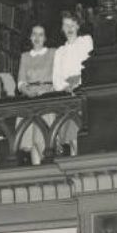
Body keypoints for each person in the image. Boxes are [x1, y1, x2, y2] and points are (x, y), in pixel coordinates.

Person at [52, 11, 93, 156]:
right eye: (66, 25)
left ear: (78, 26)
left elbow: (90, 65)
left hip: (82, 90)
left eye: (72, 25)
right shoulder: (59, 51)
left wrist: (78, 82)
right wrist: (64, 86)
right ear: (62, 29)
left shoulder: (85, 41)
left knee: (78, 134)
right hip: (66, 94)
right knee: (69, 138)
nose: (69, 28)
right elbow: (56, 77)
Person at [16, 24, 55, 165]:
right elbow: (21, 83)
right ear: (30, 37)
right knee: (32, 141)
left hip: (46, 98)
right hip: (30, 99)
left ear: (45, 38)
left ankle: (49, 167)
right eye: (34, 34)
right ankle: (38, 171)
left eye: (41, 34)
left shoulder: (52, 53)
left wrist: (46, 91)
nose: (37, 37)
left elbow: (57, 77)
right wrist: (28, 92)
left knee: (41, 139)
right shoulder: (25, 56)